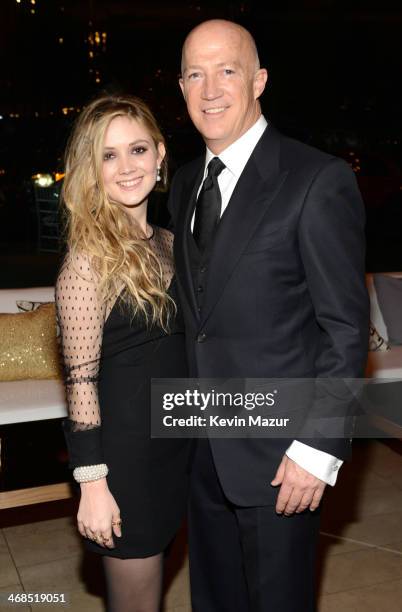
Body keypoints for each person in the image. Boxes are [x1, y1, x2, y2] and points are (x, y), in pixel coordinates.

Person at [168, 19, 369, 612]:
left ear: (258, 80)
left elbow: (345, 328)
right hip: (200, 447)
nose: (210, 89)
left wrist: (316, 448)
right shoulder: (183, 185)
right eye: (195, 74)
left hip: (282, 457)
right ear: (180, 87)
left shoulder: (316, 180)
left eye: (226, 70)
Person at [55, 95, 191, 612]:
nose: (127, 166)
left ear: (159, 154)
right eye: (108, 156)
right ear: (92, 169)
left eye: (136, 149)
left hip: (176, 443)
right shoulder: (87, 261)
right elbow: (80, 381)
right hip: (127, 460)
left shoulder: (172, 243)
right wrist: (93, 484)